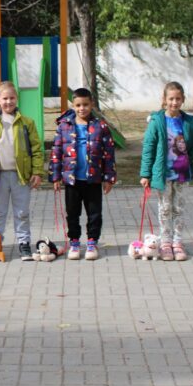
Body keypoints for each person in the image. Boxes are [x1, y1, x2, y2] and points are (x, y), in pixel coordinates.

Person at [0, 81, 43, 260]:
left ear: (16, 99)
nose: (8, 102)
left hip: (21, 176)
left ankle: (24, 243)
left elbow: (36, 149)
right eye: (5, 98)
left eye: (12, 98)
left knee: (22, 212)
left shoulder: (27, 123)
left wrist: (37, 172)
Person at [49, 87, 116, 260]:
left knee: (94, 213)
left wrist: (109, 177)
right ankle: (74, 242)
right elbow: (56, 151)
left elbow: (109, 153)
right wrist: (55, 176)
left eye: (85, 104)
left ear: (91, 104)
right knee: (72, 213)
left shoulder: (100, 126)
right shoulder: (64, 126)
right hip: (72, 180)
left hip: (93, 179)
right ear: (73, 105)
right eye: (78, 105)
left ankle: (92, 242)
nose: (82, 108)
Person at [140, 80, 193, 261]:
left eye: (178, 99)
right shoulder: (156, 121)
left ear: (183, 100)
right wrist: (145, 174)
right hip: (163, 174)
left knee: (178, 208)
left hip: (182, 174)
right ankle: (165, 243)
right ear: (164, 99)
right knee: (165, 208)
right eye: (171, 99)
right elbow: (149, 147)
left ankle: (177, 242)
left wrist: (186, 158)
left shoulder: (189, 121)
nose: (174, 102)